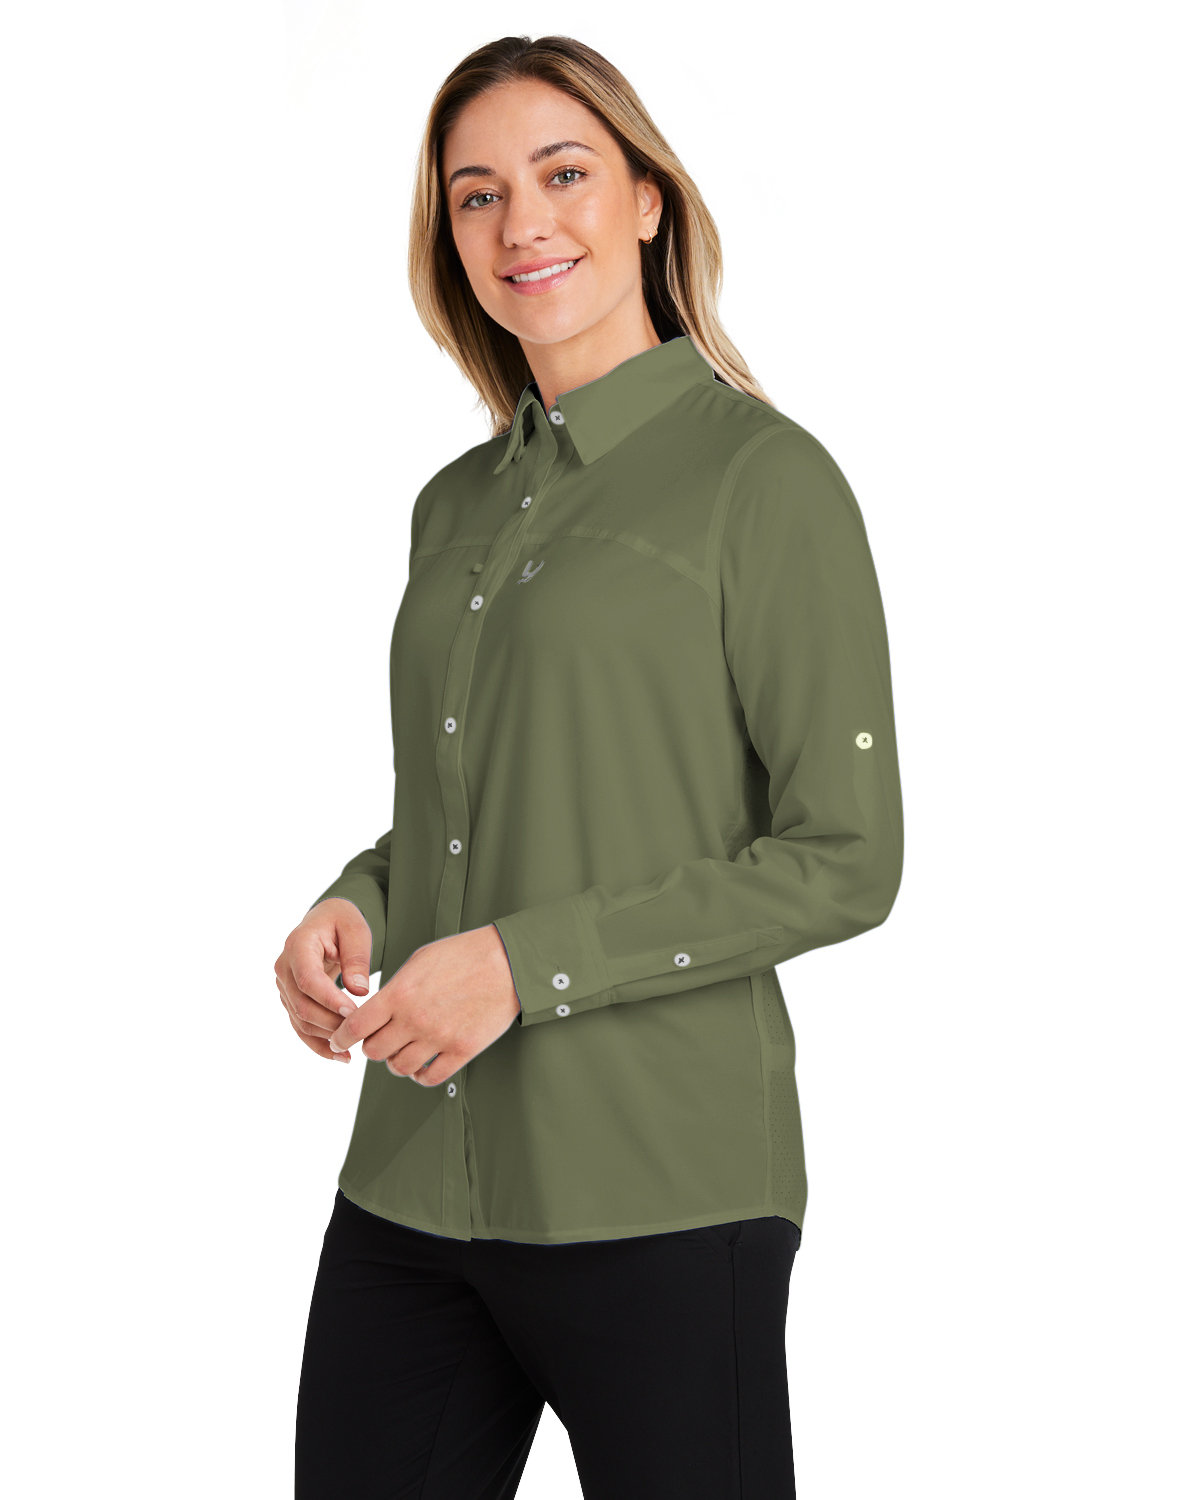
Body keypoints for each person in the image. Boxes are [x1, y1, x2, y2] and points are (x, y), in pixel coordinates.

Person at [279, 32, 904, 1500]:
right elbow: (472, 811)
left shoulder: (766, 481)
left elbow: (847, 857)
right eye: (476, 195)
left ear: (646, 199)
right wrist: (361, 900)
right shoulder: (455, 505)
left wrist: (521, 966)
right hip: (415, 1178)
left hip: (662, 1186)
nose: (522, 224)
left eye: (563, 174)